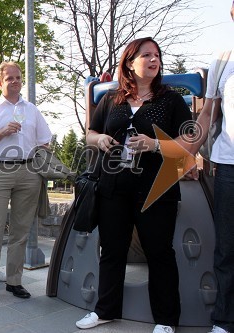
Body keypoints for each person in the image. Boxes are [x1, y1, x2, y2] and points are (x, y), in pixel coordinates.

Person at [74, 37, 192, 333]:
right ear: (129, 62)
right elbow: (90, 133)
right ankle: (105, 310)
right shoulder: (111, 99)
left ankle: (166, 321)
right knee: (112, 249)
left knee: (159, 252)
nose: (154, 60)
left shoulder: (171, 100)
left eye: (157, 56)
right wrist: (99, 139)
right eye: (147, 55)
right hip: (113, 187)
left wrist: (154, 144)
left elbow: (188, 144)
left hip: (156, 188)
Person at [0, 61, 52, 305]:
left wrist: (37, 156)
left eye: (18, 77)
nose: (16, 81)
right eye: (10, 78)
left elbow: (45, 141)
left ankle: (15, 282)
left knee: (20, 232)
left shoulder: (32, 110)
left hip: (29, 172)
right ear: (0, 83)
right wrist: (3, 133)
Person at [188, 3, 234, 333]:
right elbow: (208, 114)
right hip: (228, 164)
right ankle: (224, 320)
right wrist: (187, 152)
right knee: (227, 248)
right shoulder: (223, 57)